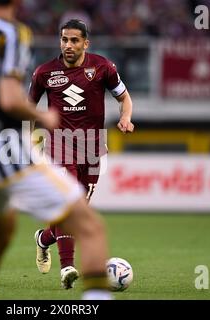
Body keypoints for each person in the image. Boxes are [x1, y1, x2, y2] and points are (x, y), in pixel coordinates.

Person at [0, 0, 113, 300]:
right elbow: (9, 100)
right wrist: (43, 117)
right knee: (91, 228)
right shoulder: (12, 33)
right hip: (4, 146)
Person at [29, 19, 134, 289]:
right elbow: (27, 108)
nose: (68, 45)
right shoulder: (44, 73)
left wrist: (126, 118)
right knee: (69, 205)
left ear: (85, 43)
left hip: (93, 146)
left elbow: (124, 98)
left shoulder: (103, 67)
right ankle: (67, 268)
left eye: (74, 40)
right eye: (64, 39)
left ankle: (43, 239)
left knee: (77, 215)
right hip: (59, 145)